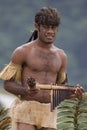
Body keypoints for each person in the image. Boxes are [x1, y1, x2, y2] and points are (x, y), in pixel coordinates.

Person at [0, 6, 84, 130]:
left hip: (49, 112)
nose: (50, 31)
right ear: (36, 26)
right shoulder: (22, 52)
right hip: (26, 110)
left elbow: (60, 90)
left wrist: (73, 93)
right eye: (46, 27)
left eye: (53, 27)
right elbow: (7, 84)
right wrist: (26, 91)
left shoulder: (61, 56)